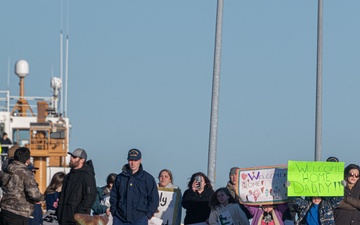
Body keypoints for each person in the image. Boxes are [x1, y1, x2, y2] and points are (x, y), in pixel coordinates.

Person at [110, 148, 159, 225]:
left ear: (140, 160)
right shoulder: (120, 178)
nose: (133, 163)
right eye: (131, 160)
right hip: (120, 218)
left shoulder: (148, 179)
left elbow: (154, 199)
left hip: (139, 218)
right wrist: (114, 212)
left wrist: (148, 214)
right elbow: (114, 196)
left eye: (135, 160)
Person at [0, 147, 45, 225]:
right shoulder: (26, 173)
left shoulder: (4, 171)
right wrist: (42, 198)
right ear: (27, 160)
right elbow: (34, 194)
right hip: (19, 213)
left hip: (4, 211)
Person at [56, 148, 97, 225]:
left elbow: (90, 197)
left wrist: (79, 212)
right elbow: (62, 196)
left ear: (82, 160)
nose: (71, 158)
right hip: (64, 218)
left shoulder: (87, 176)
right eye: (71, 156)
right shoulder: (68, 176)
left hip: (78, 219)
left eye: (74, 157)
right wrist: (59, 211)